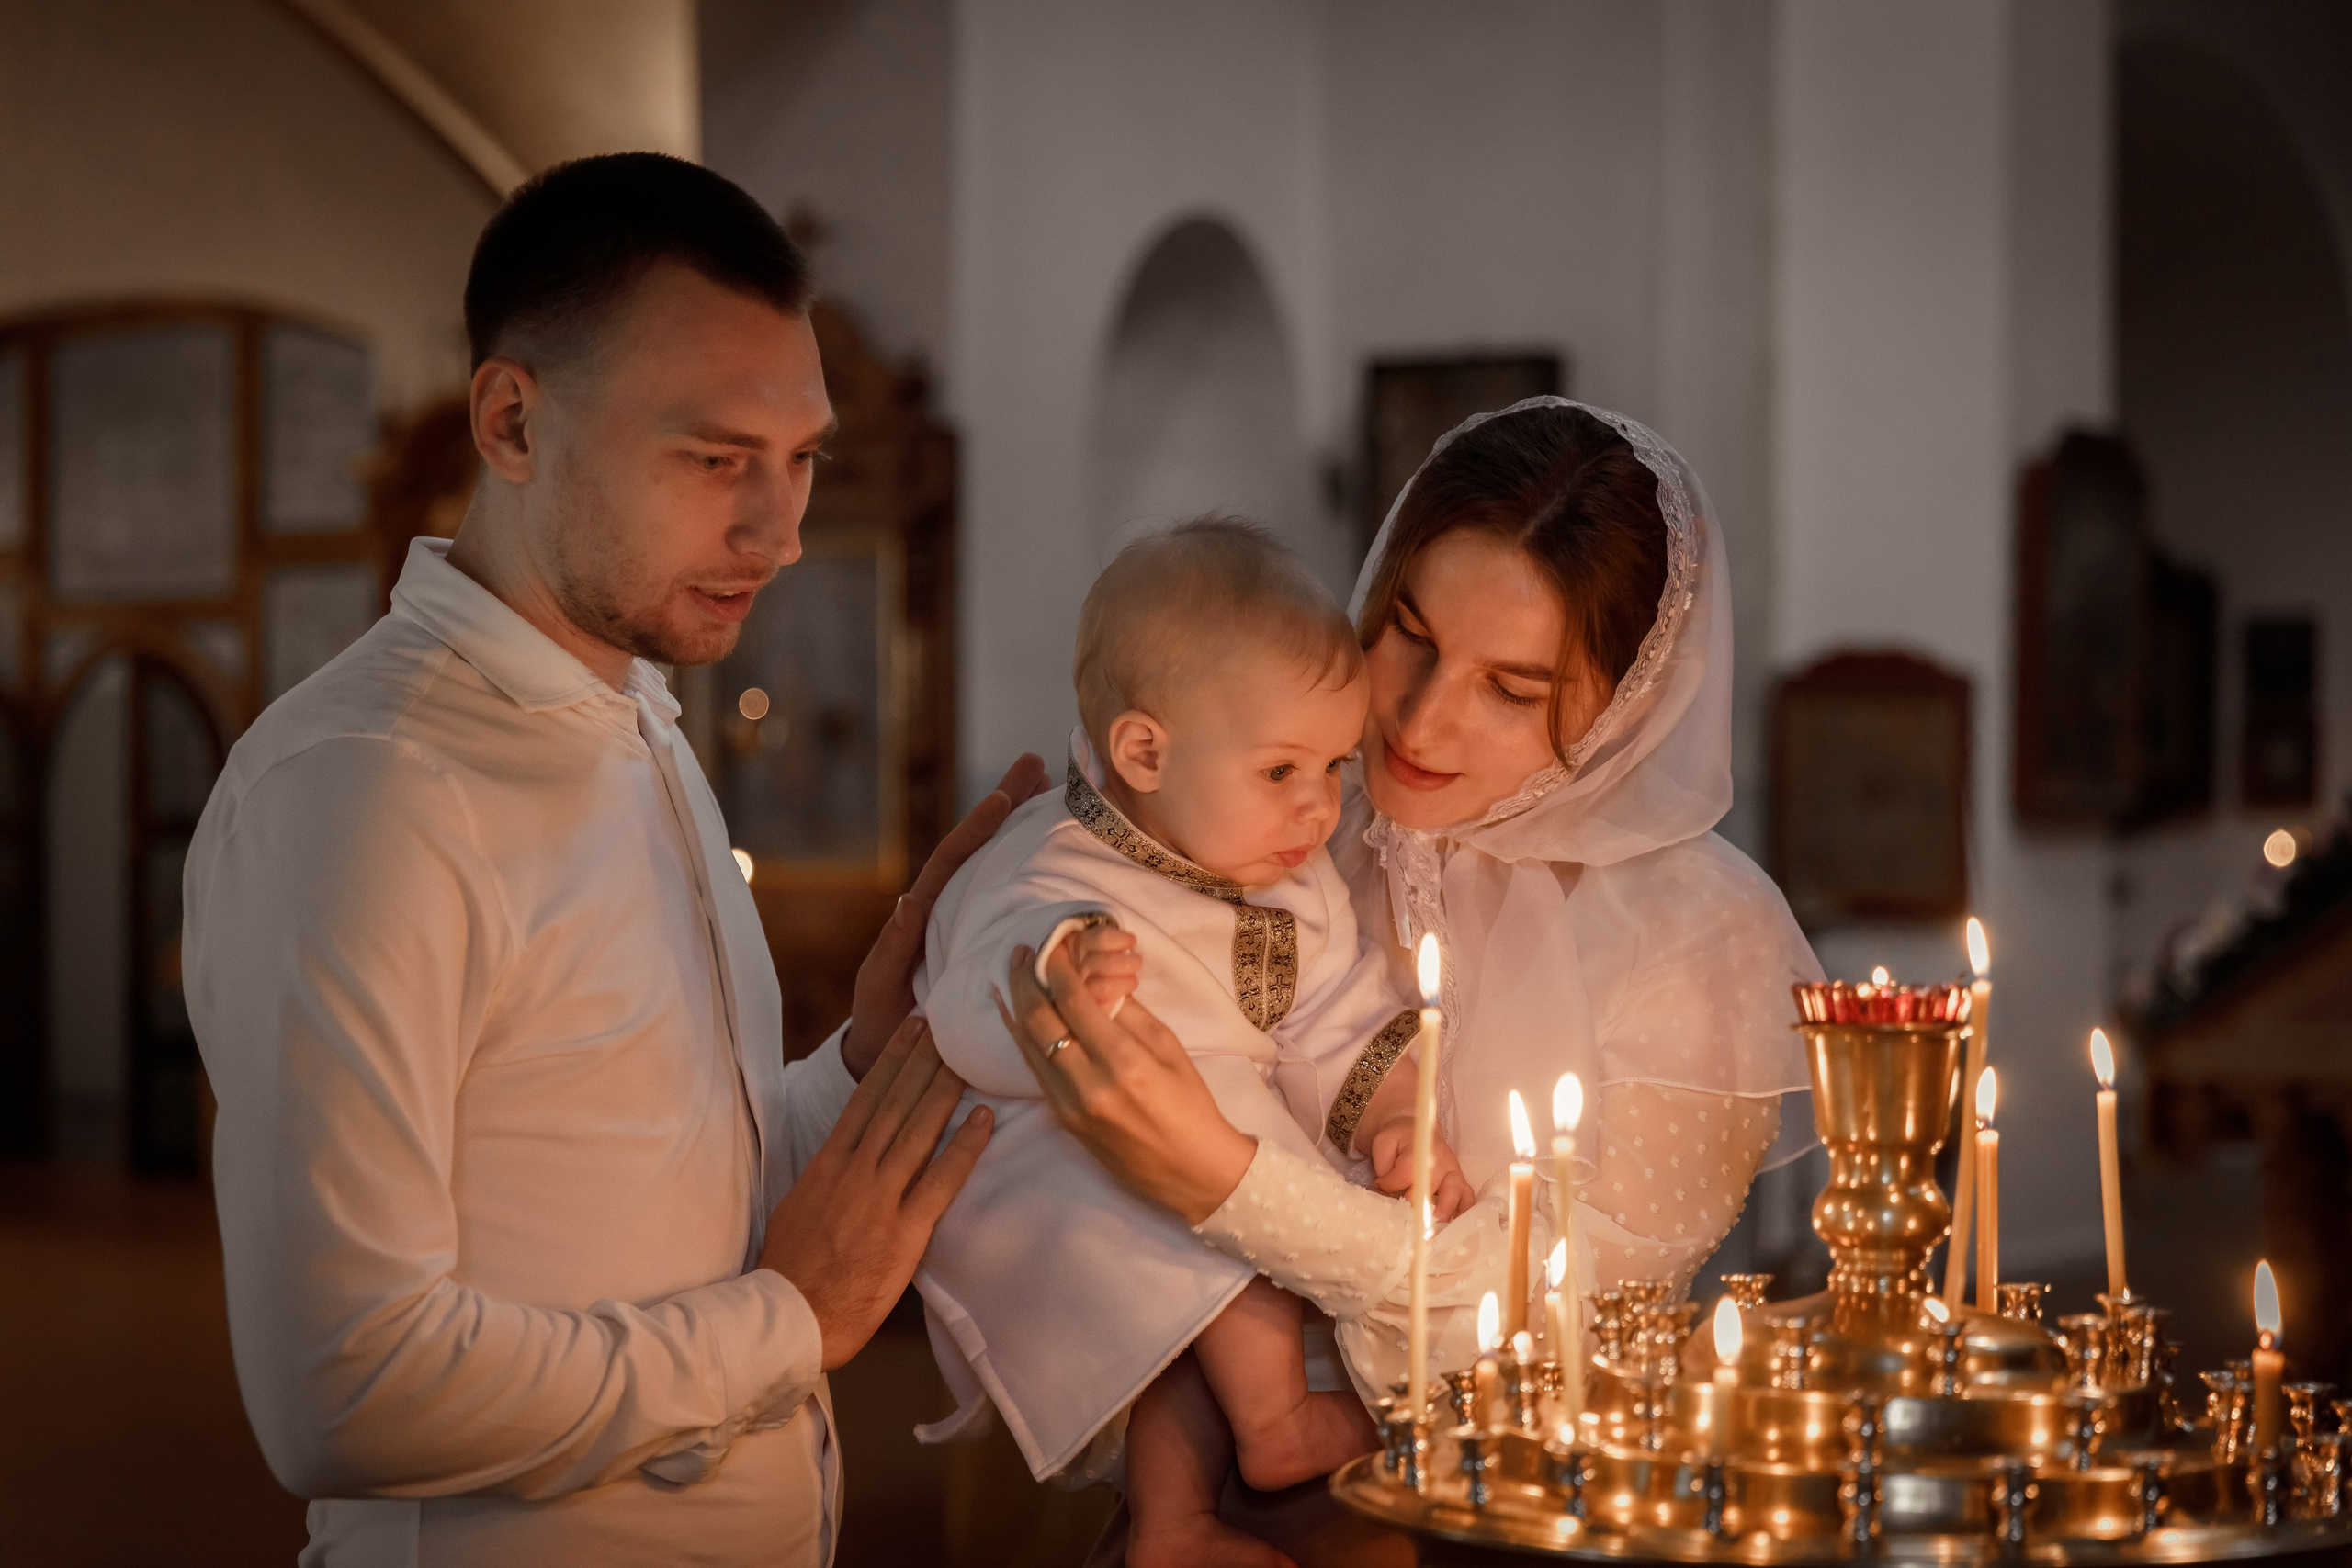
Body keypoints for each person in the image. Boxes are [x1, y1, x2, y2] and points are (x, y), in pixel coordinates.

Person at [184, 152, 1045, 1568]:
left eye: (803, 456)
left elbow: (671, 1187)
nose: (783, 531)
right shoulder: (368, 787)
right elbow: (340, 1384)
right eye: (716, 458)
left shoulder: (637, 718)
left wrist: (864, 1060)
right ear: (513, 419)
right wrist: (788, 1324)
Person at [997, 400, 1822, 1528]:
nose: (1423, 724)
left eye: (1512, 691)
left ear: (1628, 705)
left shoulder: (1703, 936)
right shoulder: (1279, 810)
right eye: (1409, 634)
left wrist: (1225, 1179)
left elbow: (1554, 1321)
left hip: (1520, 1516)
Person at [909, 521, 1475, 1568]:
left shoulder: (1282, 871)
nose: (1318, 806)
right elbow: (965, 1007)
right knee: (1204, 1229)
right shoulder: (1052, 867)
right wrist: (1057, 976)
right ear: (1143, 751)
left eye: (1333, 767)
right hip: (1051, 1193)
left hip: (1169, 1179)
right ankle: (1276, 1432)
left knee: (1225, 1233)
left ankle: (1175, 1525)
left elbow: (1340, 1007)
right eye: (1279, 771)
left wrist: (1396, 1111)